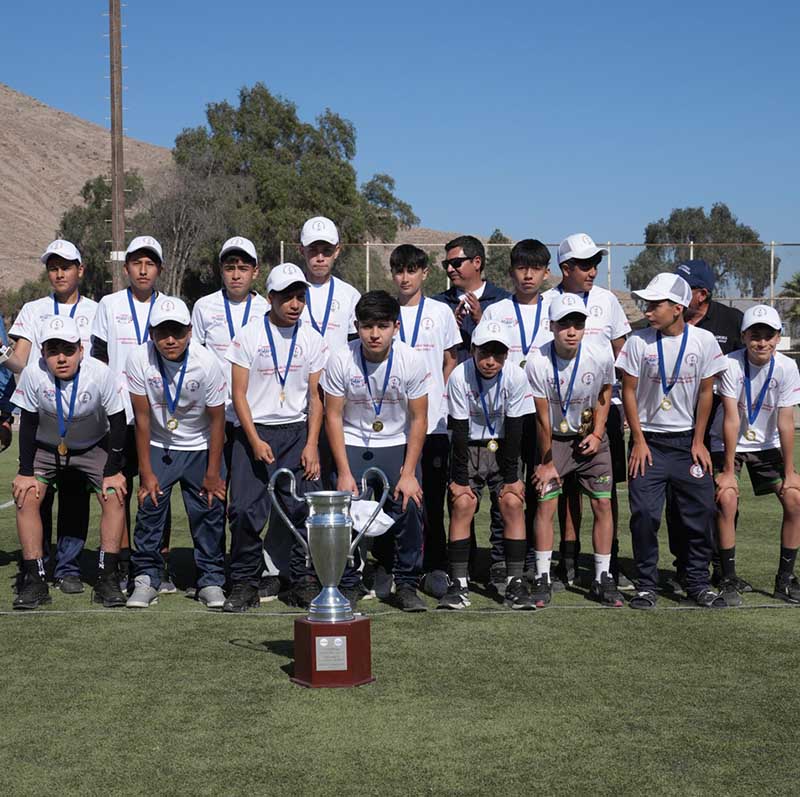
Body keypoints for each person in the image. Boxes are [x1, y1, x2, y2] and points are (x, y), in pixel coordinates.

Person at [616, 273, 726, 609]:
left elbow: (707, 392)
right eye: (647, 304)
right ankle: (646, 584)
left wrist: (699, 440)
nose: (648, 311)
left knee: (701, 511)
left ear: (677, 308)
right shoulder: (639, 342)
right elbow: (629, 392)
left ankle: (696, 581)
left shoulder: (704, 341)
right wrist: (637, 439)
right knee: (646, 515)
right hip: (648, 443)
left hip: (686, 444)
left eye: (655, 304)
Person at [224, 263, 328, 612]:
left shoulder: (312, 339)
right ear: (270, 298)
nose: (295, 304)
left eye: (300, 297)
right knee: (244, 511)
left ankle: (301, 579)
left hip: (296, 434)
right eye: (287, 297)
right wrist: (253, 439)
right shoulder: (249, 335)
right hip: (254, 433)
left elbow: (316, 397)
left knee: (303, 508)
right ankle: (243, 582)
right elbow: (239, 394)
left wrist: (312, 443)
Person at [11, 316, 127, 610]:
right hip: (47, 448)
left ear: (81, 350)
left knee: (114, 496)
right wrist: (25, 472)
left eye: (68, 350)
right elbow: (27, 423)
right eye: (53, 350)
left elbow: (118, 421)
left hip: (92, 447)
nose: (61, 358)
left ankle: (106, 577)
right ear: (43, 354)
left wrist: (113, 471)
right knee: (25, 496)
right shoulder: (33, 375)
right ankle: (35, 579)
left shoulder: (100, 374)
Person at [322, 290, 429, 612]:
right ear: (357, 326)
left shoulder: (411, 359)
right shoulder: (341, 358)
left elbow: (419, 418)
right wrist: (343, 471)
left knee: (409, 506)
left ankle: (406, 583)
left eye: (382, 326)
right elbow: (333, 415)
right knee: (343, 512)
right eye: (368, 326)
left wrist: (409, 473)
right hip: (353, 442)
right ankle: (348, 583)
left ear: (395, 327)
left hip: (396, 443)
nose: (374, 334)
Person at [6, 239, 97, 592]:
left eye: (66, 266)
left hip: (83, 415)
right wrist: (2, 352)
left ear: (80, 269)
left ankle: (69, 567)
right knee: (37, 492)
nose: (59, 272)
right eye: (53, 266)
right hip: (42, 413)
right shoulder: (33, 308)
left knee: (75, 493)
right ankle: (39, 563)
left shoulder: (97, 309)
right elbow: (22, 360)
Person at [125, 297, 228, 609]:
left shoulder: (207, 362)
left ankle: (211, 580)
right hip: (158, 444)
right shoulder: (138, 359)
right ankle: (146, 578)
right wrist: (146, 471)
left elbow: (217, 419)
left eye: (178, 332)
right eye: (162, 332)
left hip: (200, 446)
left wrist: (212, 472)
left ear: (190, 331)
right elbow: (141, 419)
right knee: (149, 508)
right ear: (151, 333)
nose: (170, 340)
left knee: (209, 511)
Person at [542, 233, 632, 589]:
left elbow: (621, 351)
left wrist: (621, 405)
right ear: (565, 268)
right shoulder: (548, 301)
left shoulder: (607, 300)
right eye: (584, 265)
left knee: (603, 492)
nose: (593, 270)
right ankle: (566, 559)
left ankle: (607, 565)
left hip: (601, 408)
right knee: (558, 491)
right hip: (558, 409)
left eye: (596, 263)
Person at [190, 236, 274, 597]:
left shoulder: (267, 308)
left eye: (243, 268)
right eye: (229, 268)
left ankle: (250, 566)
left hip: (252, 418)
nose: (236, 275)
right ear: (220, 271)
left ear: (256, 271)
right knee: (212, 495)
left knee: (248, 501)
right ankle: (211, 570)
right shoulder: (204, 307)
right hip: (213, 416)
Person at [526, 294, 622, 608]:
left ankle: (602, 577)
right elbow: (541, 418)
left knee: (603, 507)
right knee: (546, 507)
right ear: (552, 326)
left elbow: (605, 393)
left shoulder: (600, 354)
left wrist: (597, 433)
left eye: (577, 324)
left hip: (590, 439)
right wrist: (547, 462)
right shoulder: (537, 359)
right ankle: (542, 576)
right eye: (564, 324)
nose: (571, 330)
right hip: (552, 440)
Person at [91, 235, 171, 591]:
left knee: (157, 488)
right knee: (121, 487)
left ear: (159, 269)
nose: (142, 269)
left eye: (150, 263)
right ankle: (123, 562)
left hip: (157, 412)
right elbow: (98, 355)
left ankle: (158, 563)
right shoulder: (108, 304)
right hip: (119, 413)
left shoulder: (170, 306)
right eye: (136, 263)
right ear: (125, 268)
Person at [438, 318, 534, 610]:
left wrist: (512, 478)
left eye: (498, 354)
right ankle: (459, 584)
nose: (490, 361)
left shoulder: (516, 377)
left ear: (507, 354)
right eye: (484, 353)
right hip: (469, 447)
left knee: (512, 503)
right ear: (473, 349)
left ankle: (515, 583)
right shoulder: (459, 376)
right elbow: (459, 429)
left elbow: (516, 427)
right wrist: (459, 480)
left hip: (504, 445)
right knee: (462, 504)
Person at [432, 235, 511, 590]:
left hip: (497, 416)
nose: (450, 269)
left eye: (456, 262)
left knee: (503, 497)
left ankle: (498, 565)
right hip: (458, 410)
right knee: (461, 494)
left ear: (477, 262)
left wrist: (481, 322)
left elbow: (510, 350)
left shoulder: (501, 302)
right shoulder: (438, 304)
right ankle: (462, 564)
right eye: (446, 264)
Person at [712, 305, 800, 606]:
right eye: (754, 335)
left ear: (778, 338)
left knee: (795, 498)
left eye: (768, 336)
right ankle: (727, 577)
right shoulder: (729, 364)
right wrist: (726, 470)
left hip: (767, 444)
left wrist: (790, 472)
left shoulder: (788, 367)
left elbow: (785, 421)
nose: (761, 342)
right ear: (743, 336)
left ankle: (785, 580)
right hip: (730, 444)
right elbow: (731, 418)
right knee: (726, 498)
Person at [666, 258, 744, 591]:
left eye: (684, 289)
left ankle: (719, 565)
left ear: (702, 294)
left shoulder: (732, 321)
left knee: (722, 498)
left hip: (718, 428)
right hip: (679, 428)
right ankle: (683, 563)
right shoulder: (671, 320)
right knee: (679, 500)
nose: (676, 295)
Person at [389, 244, 460, 599]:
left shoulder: (441, 311)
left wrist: (438, 390)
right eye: (399, 271)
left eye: (411, 271)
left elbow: (450, 358)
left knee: (431, 500)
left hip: (433, 423)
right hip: (393, 425)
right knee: (395, 500)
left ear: (424, 273)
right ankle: (391, 567)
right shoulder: (386, 312)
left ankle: (434, 566)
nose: (405, 278)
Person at [483, 239, 552, 570]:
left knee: (540, 486)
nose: (528, 275)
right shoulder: (496, 311)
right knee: (505, 485)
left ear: (546, 273)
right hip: (505, 413)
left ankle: (537, 557)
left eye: (535, 269)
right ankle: (501, 556)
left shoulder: (555, 310)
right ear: (511, 272)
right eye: (522, 268)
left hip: (541, 413)